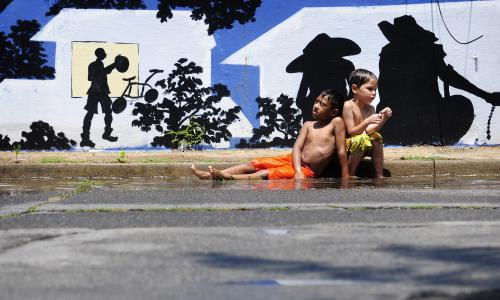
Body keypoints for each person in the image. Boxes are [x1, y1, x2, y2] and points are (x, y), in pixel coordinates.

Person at [191, 89, 349, 180]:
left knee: (266, 173)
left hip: (309, 171)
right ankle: (208, 175)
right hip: (293, 161)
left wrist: (346, 175)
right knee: (254, 163)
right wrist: (298, 169)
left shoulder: (336, 123)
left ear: (333, 112)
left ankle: (227, 177)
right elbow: (297, 148)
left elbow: (341, 151)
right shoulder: (308, 125)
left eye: (322, 105)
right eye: (316, 102)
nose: (316, 106)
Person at [342, 69, 392, 178]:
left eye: (375, 89)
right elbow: (351, 133)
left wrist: (384, 118)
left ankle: (379, 174)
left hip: (364, 143)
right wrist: (367, 121)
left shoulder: (371, 108)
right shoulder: (348, 106)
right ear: (355, 89)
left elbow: (369, 131)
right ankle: (351, 173)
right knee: (362, 139)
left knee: (376, 137)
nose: (374, 93)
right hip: (349, 146)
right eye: (369, 89)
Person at [80, 48, 118, 148]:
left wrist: (108, 69)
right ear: (100, 55)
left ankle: (86, 138)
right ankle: (103, 134)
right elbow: (91, 77)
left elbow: (101, 73)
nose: (105, 55)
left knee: (91, 113)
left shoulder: (95, 64)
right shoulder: (95, 65)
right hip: (99, 91)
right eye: (104, 54)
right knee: (106, 112)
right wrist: (113, 65)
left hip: (94, 91)